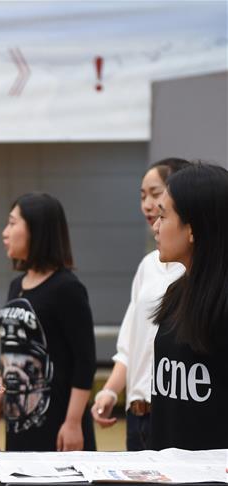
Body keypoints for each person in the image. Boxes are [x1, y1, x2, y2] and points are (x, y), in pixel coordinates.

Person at [90, 158, 189, 449]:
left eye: (156, 194)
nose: (148, 205)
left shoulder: (195, 270)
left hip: (171, 411)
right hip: (137, 414)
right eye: (142, 196)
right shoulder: (148, 265)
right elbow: (130, 345)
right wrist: (109, 391)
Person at [0, 192, 96, 451]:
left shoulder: (67, 287)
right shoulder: (16, 286)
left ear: (36, 230)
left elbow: (84, 362)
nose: (4, 232)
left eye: (12, 223)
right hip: (19, 420)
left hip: (58, 424)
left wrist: (73, 422)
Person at [149, 163, 228, 450]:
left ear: (192, 230)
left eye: (163, 216)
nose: (156, 227)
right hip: (169, 478)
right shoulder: (176, 292)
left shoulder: (221, 304)